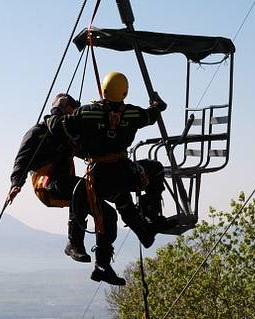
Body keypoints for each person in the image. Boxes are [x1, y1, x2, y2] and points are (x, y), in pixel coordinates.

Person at [46, 71, 171, 286]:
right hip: (125, 174)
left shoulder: (88, 113)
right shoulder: (132, 114)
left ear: (103, 90)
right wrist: (157, 104)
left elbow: (57, 126)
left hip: (99, 179)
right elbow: (151, 115)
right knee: (155, 169)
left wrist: (56, 108)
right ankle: (149, 218)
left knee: (103, 211)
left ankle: (101, 260)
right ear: (124, 92)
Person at [7, 93, 118, 264]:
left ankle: (102, 266)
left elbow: (90, 151)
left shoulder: (69, 134)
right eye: (71, 112)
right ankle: (74, 243)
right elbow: (22, 159)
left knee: (108, 214)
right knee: (80, 188)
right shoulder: (38, 132)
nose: (73, 117)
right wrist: (16, 184)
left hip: (68, 185)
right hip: (46, 183)